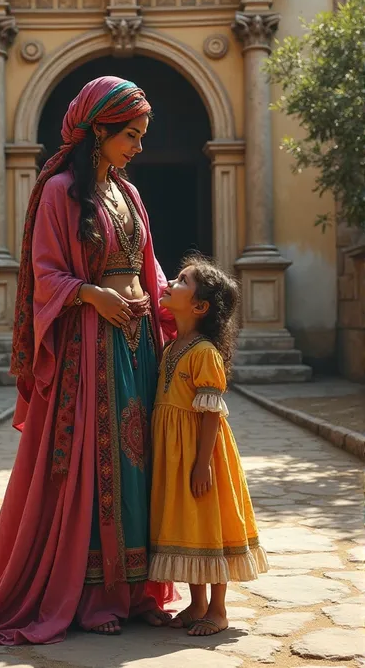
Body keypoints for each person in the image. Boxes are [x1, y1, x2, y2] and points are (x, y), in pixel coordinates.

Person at [0, 76, 177, 644]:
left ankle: (138, 589)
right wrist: (92, 295)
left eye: (141, 135)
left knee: (139, 462)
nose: (137, 146)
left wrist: (171, 306)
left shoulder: (129, 195)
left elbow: (148, 266)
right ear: (99, 130)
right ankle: (93, 593)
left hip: (137, 345)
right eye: (129, 134)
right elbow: (45, 273)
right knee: (94, 465)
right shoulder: (60, 191)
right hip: (90, 348)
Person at [149, 254, 268, 637]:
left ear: (199, 306)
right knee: (187, 524)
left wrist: (202, 464)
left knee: (209, 522)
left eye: (182, 280)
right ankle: (195, 603)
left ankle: (217, 609)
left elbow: (211, 413)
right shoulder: (171, 348)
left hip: (202, 453)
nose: (170, 282)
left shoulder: (203, 353)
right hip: (175, 453)